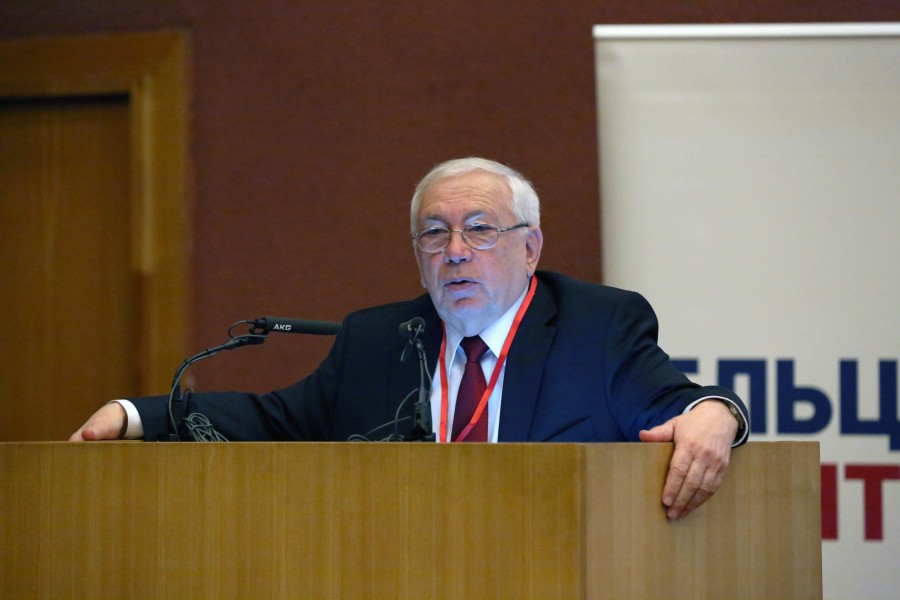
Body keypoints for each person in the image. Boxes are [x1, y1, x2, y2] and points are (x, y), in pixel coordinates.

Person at [71, 157, 748, 520]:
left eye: (480, 229)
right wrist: (135, 415)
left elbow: (676, 403)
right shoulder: (379, 338)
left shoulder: (593, 325)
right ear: (418, 254)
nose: (455, 251)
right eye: (434, 233)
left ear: (530, 247)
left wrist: (716, 414)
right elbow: (277, 421)